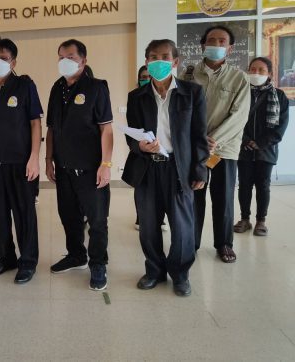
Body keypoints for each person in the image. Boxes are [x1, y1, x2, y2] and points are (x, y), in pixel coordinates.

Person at [122, 39, 208, 297]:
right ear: (146, 62)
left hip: (179, 168)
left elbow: (199, 135)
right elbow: (131, 135)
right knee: (148, 225)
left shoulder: (192, 92)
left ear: (175, 61)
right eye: (153, 57)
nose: (158, 61)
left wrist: (200, 169)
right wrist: (140, 146)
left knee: (182, 227)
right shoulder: (136, 96)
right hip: (148, 168)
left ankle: (180, 274)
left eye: (164, 57)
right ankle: (154, 271)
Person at [45, 39, 113, 291]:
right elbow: (51, 128)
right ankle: (76, 255)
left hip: (90, 169)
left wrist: (106, 164)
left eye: (71, 57)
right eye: (61, 56)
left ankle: (98, 263)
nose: (65, 61)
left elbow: (106, 129)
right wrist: (48, 160)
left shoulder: (97, 87)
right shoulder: (56, 88)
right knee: (69, 216)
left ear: (83, 60)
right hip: (63, 168)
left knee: (97, 220)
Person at [0, 37, 43, 284]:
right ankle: (6, 258)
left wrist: (34, 158)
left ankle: (28, 261)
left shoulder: (25, 85)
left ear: (13, 61)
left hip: (21, 162)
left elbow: (35, 123)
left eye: (3, 58)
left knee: (24, 214)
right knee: (1, 214)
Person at [181, 25, 250, 263]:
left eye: (222, 41)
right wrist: (198, 140)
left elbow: (239, 115)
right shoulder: (188, 75)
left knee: (224, 196)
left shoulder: (239, 78)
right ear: (203, 45)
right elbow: (181, 110)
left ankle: (224, 244)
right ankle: (191, 242)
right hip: (194, 148)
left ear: (230, 48)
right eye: (212, 40)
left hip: (224, 149)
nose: (217, 45)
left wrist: (214, 140)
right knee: (193, 194)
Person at [234, 57, 289, 237]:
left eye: (261, 70)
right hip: (243, 148)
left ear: (269, 74)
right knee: (244, 185)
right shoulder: (240, 93)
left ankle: (261, 220)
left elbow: (281, 126)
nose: (256, 73)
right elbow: (234, 120)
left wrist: (261, 143)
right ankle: (244, 219)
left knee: (263, 186)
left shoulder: (279, 96)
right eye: (252, 69)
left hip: (266, 150)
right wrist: (246, 140)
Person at [132, 66, 168, 232]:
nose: (145, 79)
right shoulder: (135, 97)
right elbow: (132, 128)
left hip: (165, 153)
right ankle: (141, 217)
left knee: (162, 190)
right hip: (143, 153)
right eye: (142, 77)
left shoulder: (167, 97)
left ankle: (160, 219)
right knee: (142, 188)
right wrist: (140, 145)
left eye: (148, 76)